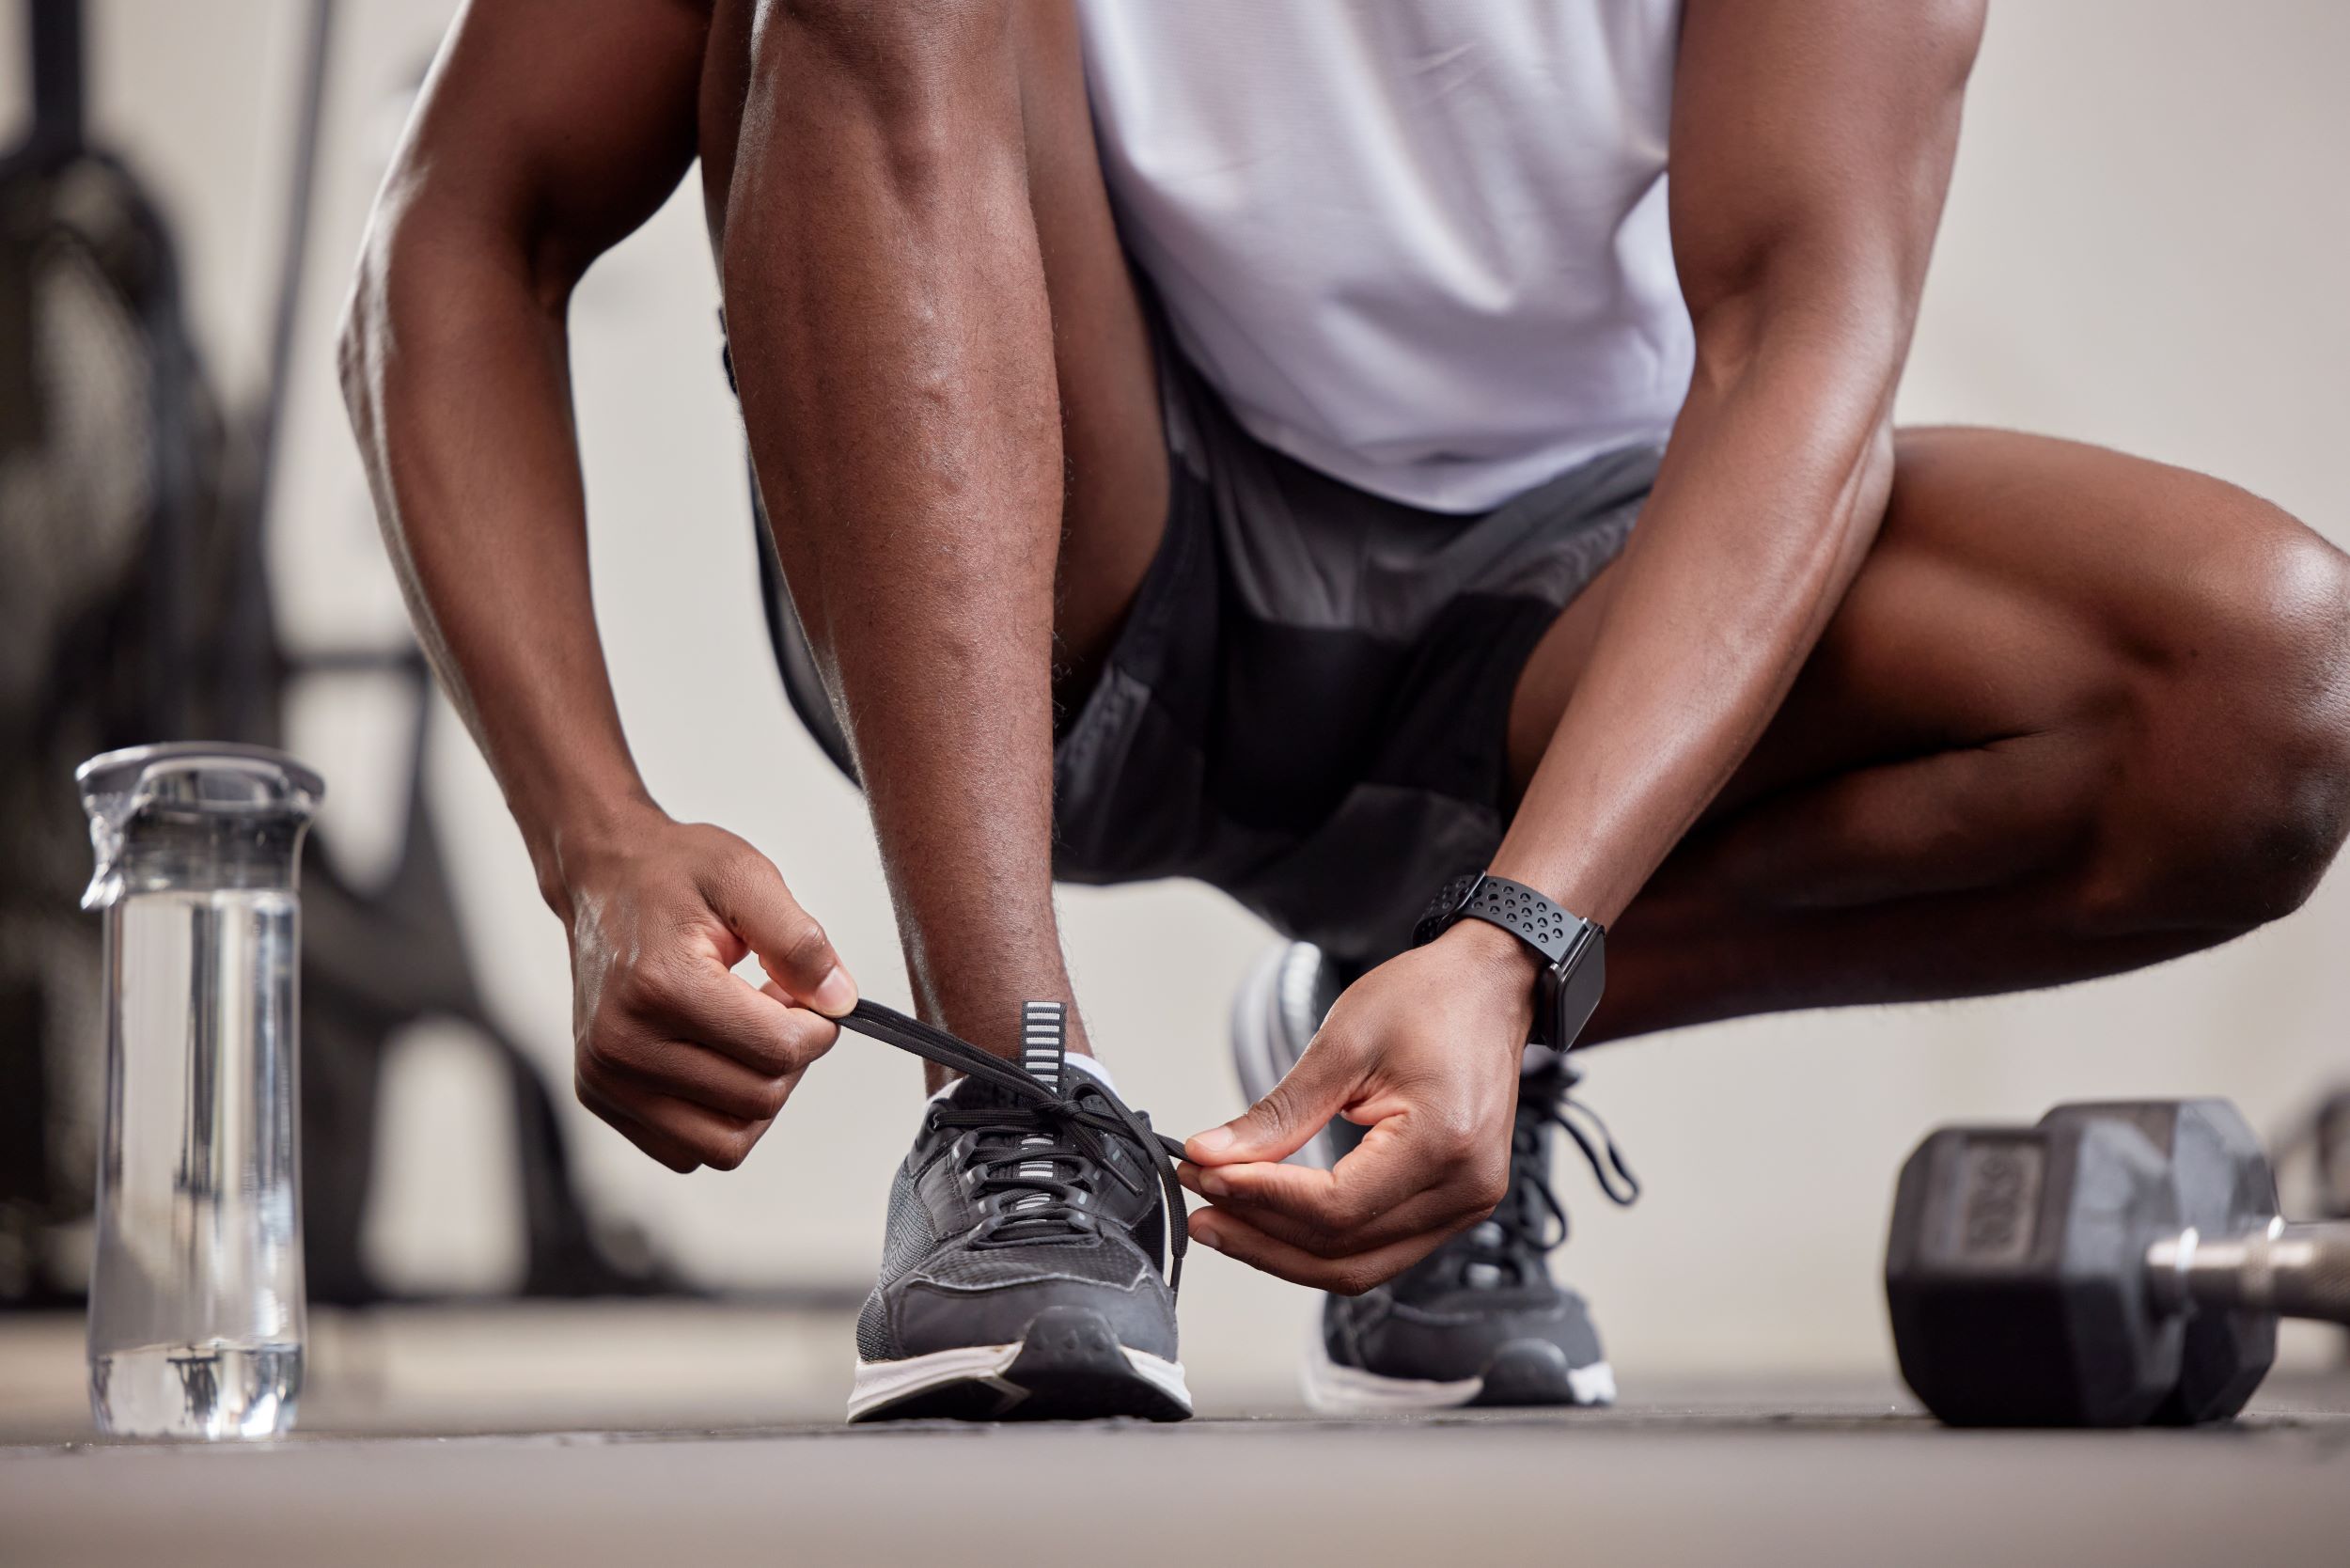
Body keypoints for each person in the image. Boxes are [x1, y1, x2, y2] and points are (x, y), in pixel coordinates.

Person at [339, 0, 2350, 1421]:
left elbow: (1796, 340)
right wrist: (588, 836)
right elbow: (461, 222)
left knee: (2256, 687)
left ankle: (1378, 1035)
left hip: (1566, 618)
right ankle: (1015, 1112)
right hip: (1061, 566)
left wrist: (1524, 934)